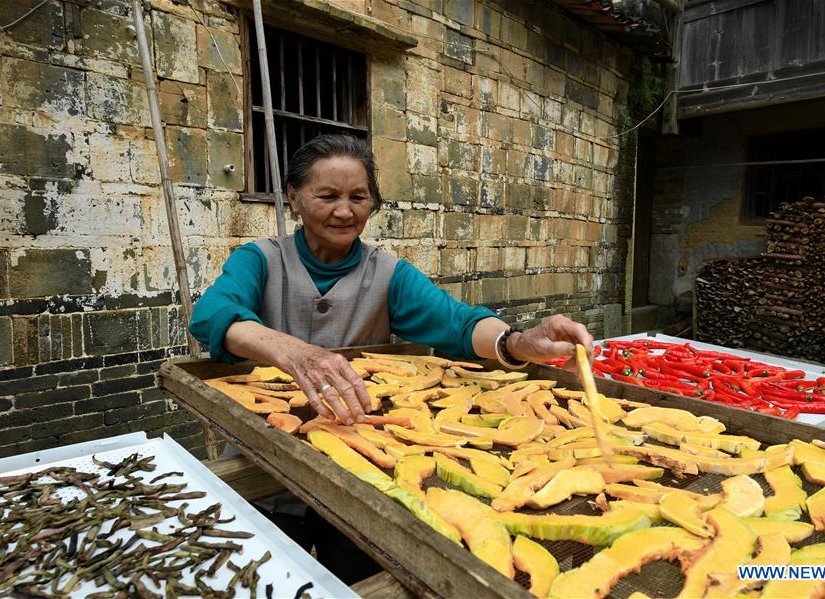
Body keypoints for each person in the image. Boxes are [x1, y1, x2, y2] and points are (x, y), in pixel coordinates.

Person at [190, 133, 595, 581]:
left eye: (358, 197)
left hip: (361, 479)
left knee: (357, 578)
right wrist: (295, 353)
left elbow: (456, 323)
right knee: (265, 581)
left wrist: (516, 342)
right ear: (294, 197)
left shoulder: (388, 274)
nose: (344, 211)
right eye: (327, 196)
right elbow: (211, 314)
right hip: (265, 466)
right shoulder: (261, 260)